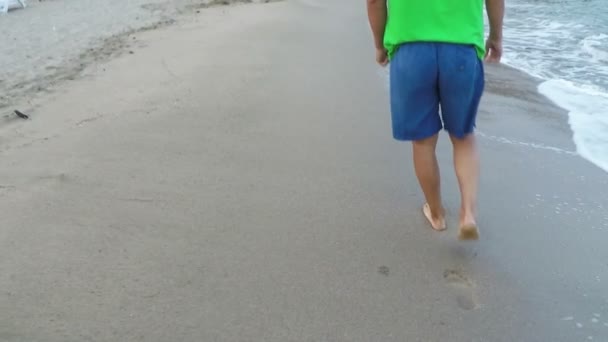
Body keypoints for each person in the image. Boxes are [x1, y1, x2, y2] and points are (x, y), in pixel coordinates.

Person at [366, 0, 504, 240]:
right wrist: (496, 36)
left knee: (423, 141)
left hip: (410, 49)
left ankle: (437, 214)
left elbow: (375, 1)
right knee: (463, 136)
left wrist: (379, 44)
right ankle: (468, 214)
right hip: (461, 49)